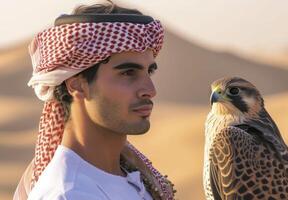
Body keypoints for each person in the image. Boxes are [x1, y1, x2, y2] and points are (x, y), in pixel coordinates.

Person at [13, 1, 175, 199]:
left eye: (149, 71)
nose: (150, 90)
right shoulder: (68, 193)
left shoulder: (136, 179)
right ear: (77, 85)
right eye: (128, 73)